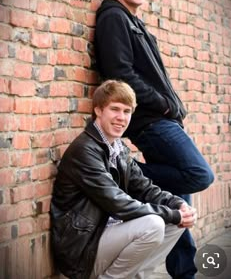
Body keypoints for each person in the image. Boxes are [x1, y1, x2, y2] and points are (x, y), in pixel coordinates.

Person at [94, 0, 215, 279]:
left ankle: (183, 271)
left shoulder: (136, 23)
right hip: (151, 121)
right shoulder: (114, 17)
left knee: (179, 203)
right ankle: (128, 173)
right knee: (199, 175)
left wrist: (172, 105)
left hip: (164, 118)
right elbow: (119, 73)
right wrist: (163, 104)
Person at [50, 80, 197, 279]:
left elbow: (145, 188)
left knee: (178, 221)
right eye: (115, 109)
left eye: (127, 111)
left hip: (106, 235)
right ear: (99, 111)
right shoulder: (85, 151)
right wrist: (172, 214)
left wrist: (178, 204)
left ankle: (136, 276)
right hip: (82, 250)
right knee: (154, 224)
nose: (121, 117)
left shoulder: (118, 149)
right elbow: (119, 203)